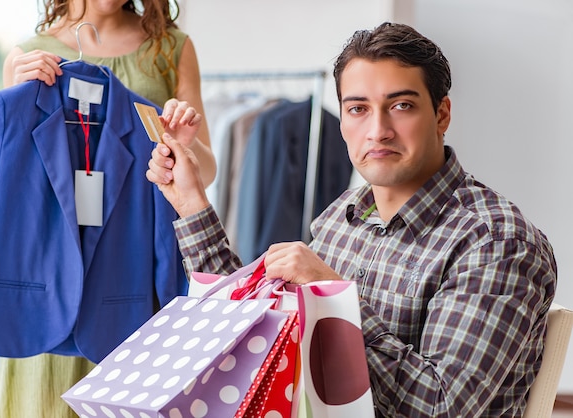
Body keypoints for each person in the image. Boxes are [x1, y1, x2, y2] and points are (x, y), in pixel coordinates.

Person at [146, 22, 557, 417]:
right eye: (358, 109)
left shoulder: (496, 241)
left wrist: (332, 295)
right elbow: (253, 335)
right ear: (341, 121)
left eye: (401, 106)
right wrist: (191, 203)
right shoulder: (340, 218)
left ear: (442, 115)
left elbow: (438, 407)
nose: (377, 131)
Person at [0, 1, 215, 417]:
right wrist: (13, 95)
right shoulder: (26, 53)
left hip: (134, 270)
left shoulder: (170, 48)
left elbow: (208, 169)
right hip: (46, 273)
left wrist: (180, 142)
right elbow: (6, 173)